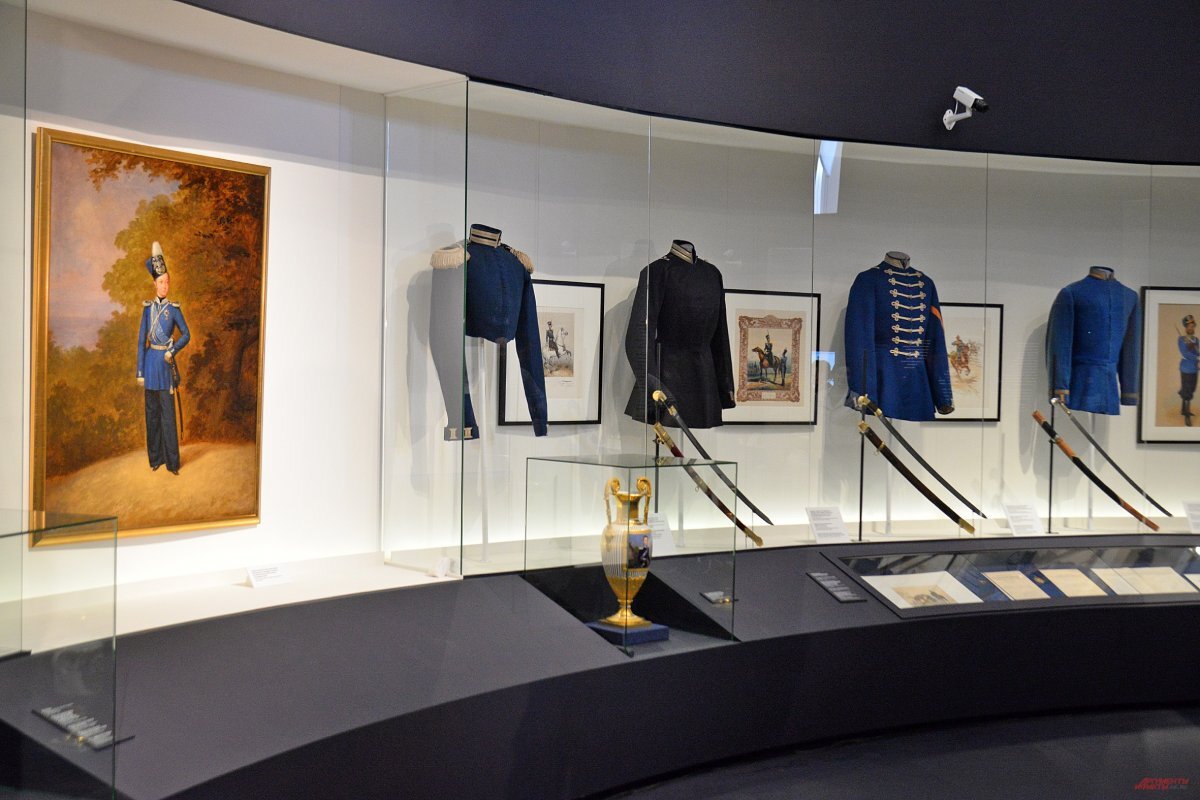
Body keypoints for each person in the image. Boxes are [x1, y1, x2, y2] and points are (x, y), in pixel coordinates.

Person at [137, 242, 190, 474]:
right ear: (155, 284)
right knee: (152, 416)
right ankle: (155, 459)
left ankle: (172, 463)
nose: (165, 286)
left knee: (168, 417)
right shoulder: (147, 309)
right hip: (150, 367)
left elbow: (186, 335)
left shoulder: (174, 309)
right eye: (161, 282)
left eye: (167, 282)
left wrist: (173, 350)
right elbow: (141, 342)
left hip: (166, 367)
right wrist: (140, 371)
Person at [1180, 314, 1198, 426]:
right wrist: (1196, 357)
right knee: (1187, 391)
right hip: (1186, 368)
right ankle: (1186, 414)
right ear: (1186, 327)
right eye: (1189, 326)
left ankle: (1183, 409)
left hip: (1195, 368)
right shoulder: (1182, 339)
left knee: (1192, 388)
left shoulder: (1196, 340)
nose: (1191, 328)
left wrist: (1197, 353)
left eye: (1192, 326)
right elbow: (1185, 353)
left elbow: (1198, 351)